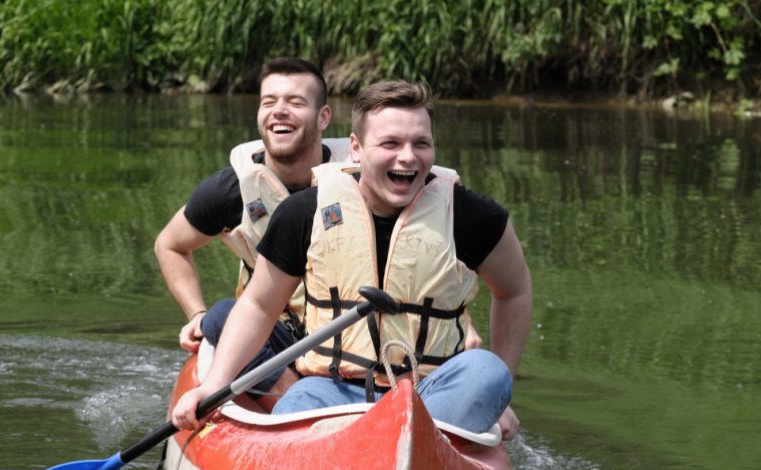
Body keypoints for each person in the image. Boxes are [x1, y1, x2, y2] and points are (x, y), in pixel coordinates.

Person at [172, 80, 531, 437]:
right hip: (332, 389)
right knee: (294, 407)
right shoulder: (304, 213)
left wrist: (498, 397)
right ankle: (365, 445)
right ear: (356, 148)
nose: (407, 156)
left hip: (428, 395)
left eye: (421, 143)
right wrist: (213, 386)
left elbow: (514, 290)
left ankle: (419, 442)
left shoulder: (473, 217)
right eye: (390, 143)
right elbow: (259, 305)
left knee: (488, 372)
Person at [154, 57, 350, 392]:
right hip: (271, 336)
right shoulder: (230, 191)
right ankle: (293, 399)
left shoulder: (361, 184)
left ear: (323, 117)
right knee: (221, 316)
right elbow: (170, 245)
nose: (279, 111)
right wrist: (195, 314)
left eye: (295, 102)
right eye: (269, 102)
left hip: (349, 338)